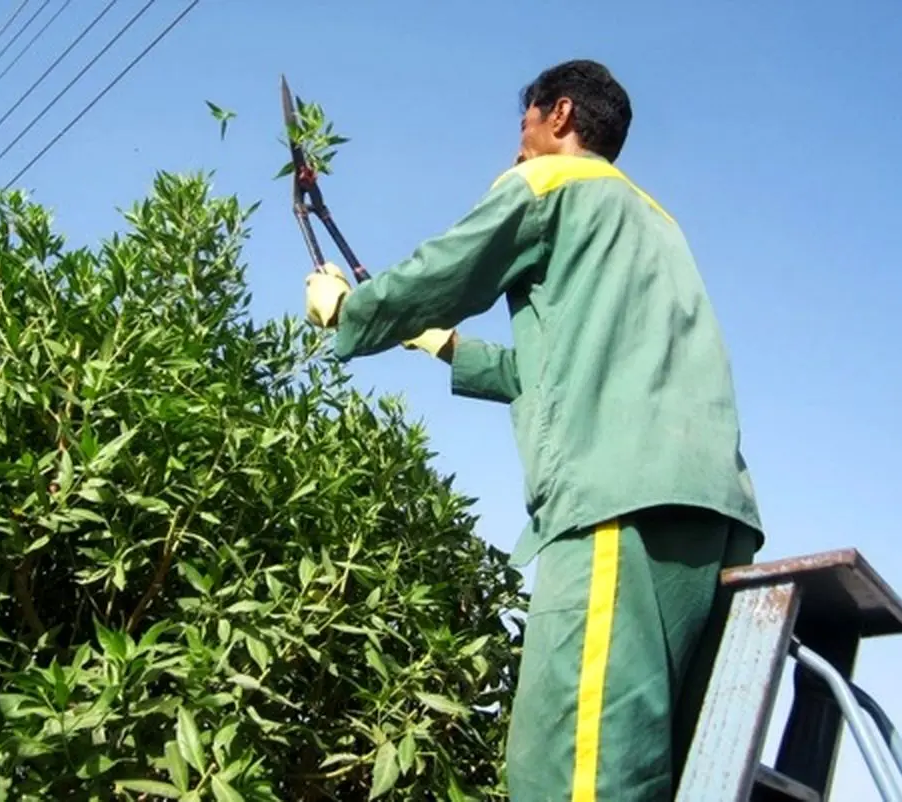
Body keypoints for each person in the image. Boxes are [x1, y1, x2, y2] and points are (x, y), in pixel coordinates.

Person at [303, 59, 766, 800]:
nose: (515, 148)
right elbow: (564, 372)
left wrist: (351, 311)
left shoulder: (550, 182)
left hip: (619, 505)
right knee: (669, 772)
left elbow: (447, 267)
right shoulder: (656, 223)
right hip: (713, 517)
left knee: (573, 765)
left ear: (559, 116)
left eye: (522, 128)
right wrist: (443, 345)